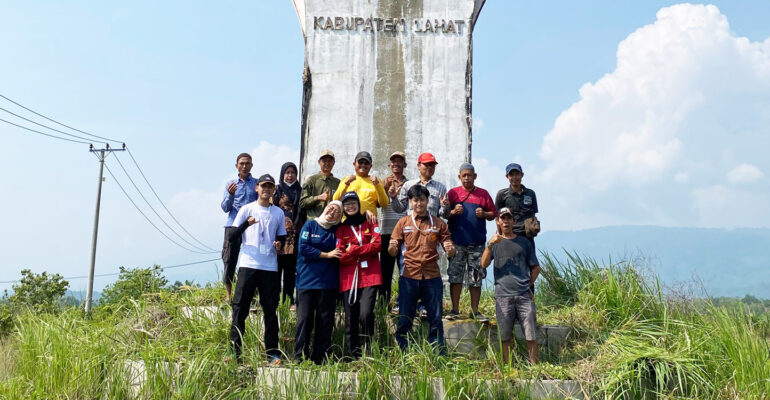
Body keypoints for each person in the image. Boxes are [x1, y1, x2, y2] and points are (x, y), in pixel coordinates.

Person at [388, 185, 455, 353]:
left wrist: (450, 248)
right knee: (404, 318)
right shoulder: (403, 222)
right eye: (415, 200)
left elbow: (448, 243)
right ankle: (403, 354)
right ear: (410, 202)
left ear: (428, 201)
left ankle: (438, 355)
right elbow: (393, 246)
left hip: (432, 276)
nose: (419, 203)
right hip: (409, 276)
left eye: (422, 200)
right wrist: (393, 247)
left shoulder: (438, 223)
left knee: (435, 319)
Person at [228, 174, 287, 364]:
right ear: (257, 188)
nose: (266, 190)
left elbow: (282, 238)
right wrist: (247, 223)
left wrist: (279, 244)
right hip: (248, 265)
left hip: (270, 267)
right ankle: (234, 353)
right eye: (263, 186)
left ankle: (272, 354)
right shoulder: (247, 209)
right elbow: (232, 237)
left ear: (273, 190)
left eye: (270, 187)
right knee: (240, 311)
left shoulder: (278, 213)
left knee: (270, 312)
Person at [388, 152, 449, 318]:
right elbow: (400, 208)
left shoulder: (441, 187)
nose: (429, 168)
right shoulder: (409, 185)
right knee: (405, 264)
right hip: (411, 232)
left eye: (432, 165)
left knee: (428, 266)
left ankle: (423, 306)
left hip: (430, 232)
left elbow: (443, 213)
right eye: (426, 164)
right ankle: (404, 304)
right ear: (418, 166)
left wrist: (446, 207)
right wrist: (393, 198)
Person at [480, 207, 540, 364]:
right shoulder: (495, 242)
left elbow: (536, 267)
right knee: (505, 335)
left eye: (508, 218)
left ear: (514, 221)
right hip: (502, 295)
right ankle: (507, 368)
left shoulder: (524, 242)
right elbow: (484, 264)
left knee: (531, 333)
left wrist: (527, 284)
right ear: (498, 221)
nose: (505, 221)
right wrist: (489, 245)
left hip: (523, 295)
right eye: (503, 218)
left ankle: (534, 367)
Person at [445, 163, 497, 322]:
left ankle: (475, 310)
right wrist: (453, 212)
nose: (467, 178)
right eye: (464, 175)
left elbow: (493, 214)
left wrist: (484, 213)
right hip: (457, 243)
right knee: (455, 277)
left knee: (476, 278)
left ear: (475, 176)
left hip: (477, 244)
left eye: (470, 175)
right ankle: (455, 310)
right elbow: (443, 214)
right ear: (459, 176)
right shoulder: (452, 193)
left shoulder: (483, 194)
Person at [294, 201, 343, 365]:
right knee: (304, 320)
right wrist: (327, 255)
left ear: (339, 217)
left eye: (337, 211)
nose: (332, 211)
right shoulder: (310, 225)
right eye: (331, 207)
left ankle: (319, 358)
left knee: (325, 322)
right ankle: (300, 357)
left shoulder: (337, 231)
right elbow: (303, 248)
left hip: (328, 283)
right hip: (306, 282)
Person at [336, 192, 382, 358]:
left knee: (365, 314)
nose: (350, 206)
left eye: (353, 203)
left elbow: (377, 245)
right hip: (348, 277)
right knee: (351, 318)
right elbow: (340, 255)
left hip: (370, 275)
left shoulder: (371, 221)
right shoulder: (340, 229)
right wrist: (362, 251)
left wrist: (354, 249)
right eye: (346, 204)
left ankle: (369, 350)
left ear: (359, 204)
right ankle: (352, 354)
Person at [494, 163, 539, 292]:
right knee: (510, 266)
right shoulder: (502, 194)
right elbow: (498, 218)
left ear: (522, 175)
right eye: (511, 174)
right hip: (510, 236)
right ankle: (507, 295)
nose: (515, 177)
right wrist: (500, 236)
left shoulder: (530, 194)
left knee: (530, 267)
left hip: (527, 238)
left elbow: (533, 215)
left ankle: (529, 296)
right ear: (507, 176)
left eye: (517, 174)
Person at [220, 153, 258, 302]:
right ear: (236, 165)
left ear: (251, 165)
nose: (244, 166)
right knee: (229, 259)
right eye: (241, 163)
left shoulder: (256, 184)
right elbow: (224, 207)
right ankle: (228, 295)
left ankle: (251, 294)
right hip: (233, 225)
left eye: (247, 163)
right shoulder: (231, 184)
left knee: (253, 258)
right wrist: (230, 195)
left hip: (251, 225)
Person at [378, 151, 408, 309]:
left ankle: (402, 303)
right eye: (393, 161)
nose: (396, 164)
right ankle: (383, 304)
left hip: (404, 232)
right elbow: (377, 203)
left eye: (400, 161)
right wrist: (383, 187)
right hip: (386, 231)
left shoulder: (410, 184)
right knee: (385, 271)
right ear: (389, 165)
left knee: (405, 269)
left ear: (405, 165)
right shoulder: (383, 182)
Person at [273, 162, 301, 308]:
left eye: (293, 172)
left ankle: (289, 300)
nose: (290, 175)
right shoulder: (277, 191)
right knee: (277, 269)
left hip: (295, 236)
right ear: (282, 174)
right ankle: (275, 300)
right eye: (287, 172)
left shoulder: (300, 190)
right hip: (280, 235)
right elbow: (271, 211)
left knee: (291, 271)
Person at [333, 151, 389, 224]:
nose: (363, 165)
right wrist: (346, 183)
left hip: (369, 223)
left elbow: (384, 204)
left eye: (366, 163)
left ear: (371, 166)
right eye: (360, 162)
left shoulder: (376, 181)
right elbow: (335, 200)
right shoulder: (346, 180)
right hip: (349, 223)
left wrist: (377, 185)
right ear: (354, 164)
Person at [300, 150, 341, 220]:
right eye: (324, 161)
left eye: (330, 161)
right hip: (315, 222)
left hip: (331, 223)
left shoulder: (338, 183)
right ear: (319, 162)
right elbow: (302, 203)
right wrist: (318, 198)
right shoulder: (311, 180)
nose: (327, 163)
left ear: (333, 163)